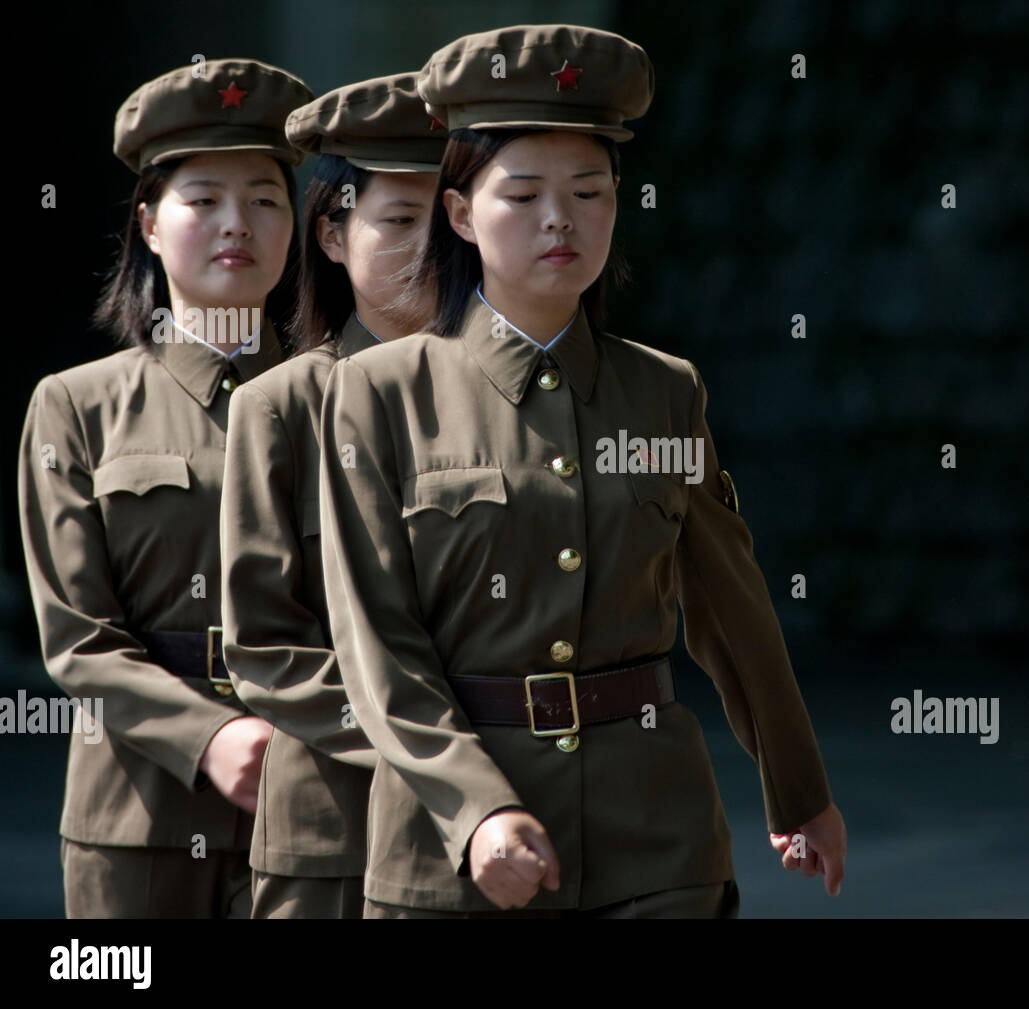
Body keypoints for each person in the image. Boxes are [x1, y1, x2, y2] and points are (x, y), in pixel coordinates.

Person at [319, 24, 847, 918]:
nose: (560, 218)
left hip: (657, 845)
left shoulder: (664, 392)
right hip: (454, 859)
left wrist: (800, 792)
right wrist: (478, 811)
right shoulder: (379, 394)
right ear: (458, 215)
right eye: (522, 194)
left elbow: (731, 606)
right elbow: (378, 649)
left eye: (589, 190)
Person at [17, 58, 311, 917]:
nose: (238, 225)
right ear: (148, 223)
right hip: (135, 818)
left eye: (265, 199)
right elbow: (77, 638)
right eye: (203, 200)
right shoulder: (76, 405)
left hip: (314, 803)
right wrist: (211, 734)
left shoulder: (341, 397)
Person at [219, 72, 444, 918]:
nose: (432, 248)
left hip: (509, 819)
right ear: (334, 233)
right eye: (398, 220)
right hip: (335, 827)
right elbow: (266, 647)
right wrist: (443, 747)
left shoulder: (522, 405)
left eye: (445, 216)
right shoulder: (278, 406)